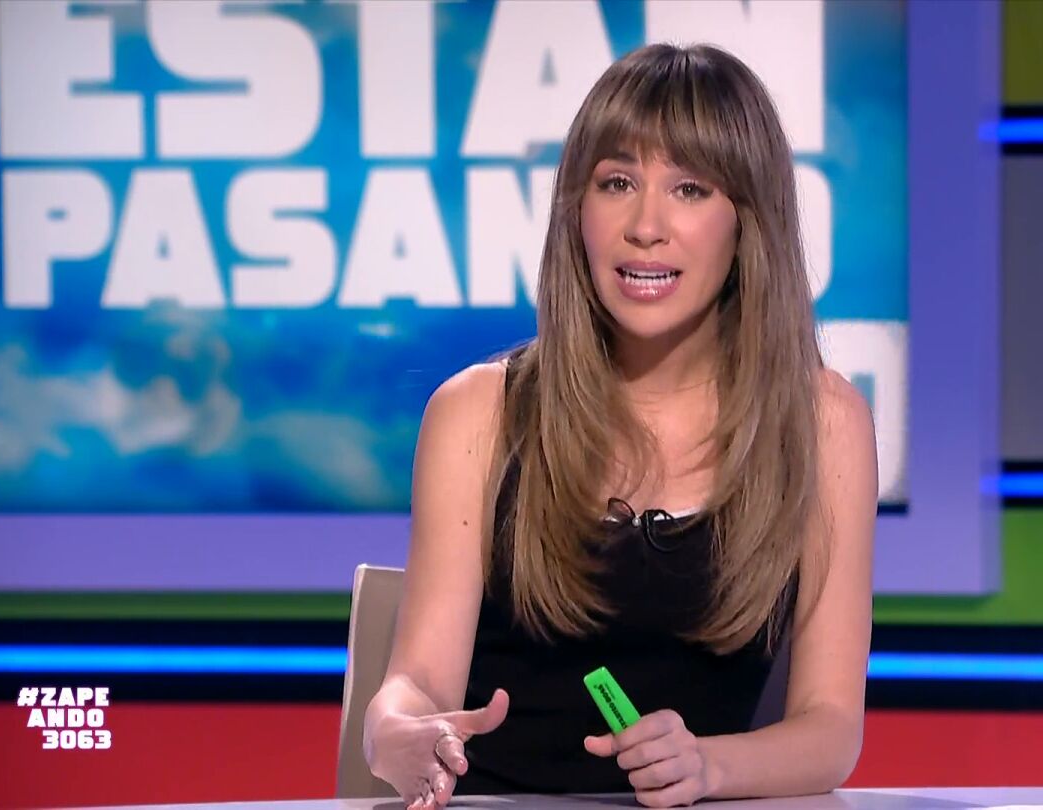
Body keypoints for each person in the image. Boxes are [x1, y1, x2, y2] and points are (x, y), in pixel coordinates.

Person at [364, 42, 877, 810]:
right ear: (578, 209)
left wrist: (707, 767)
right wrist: (393, 730)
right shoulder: (478, 413)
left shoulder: (821, 422)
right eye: (617, 183)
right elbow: (417, 683)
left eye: (690, 189)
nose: (646, 225)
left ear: (748, 223)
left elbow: (830, 728)